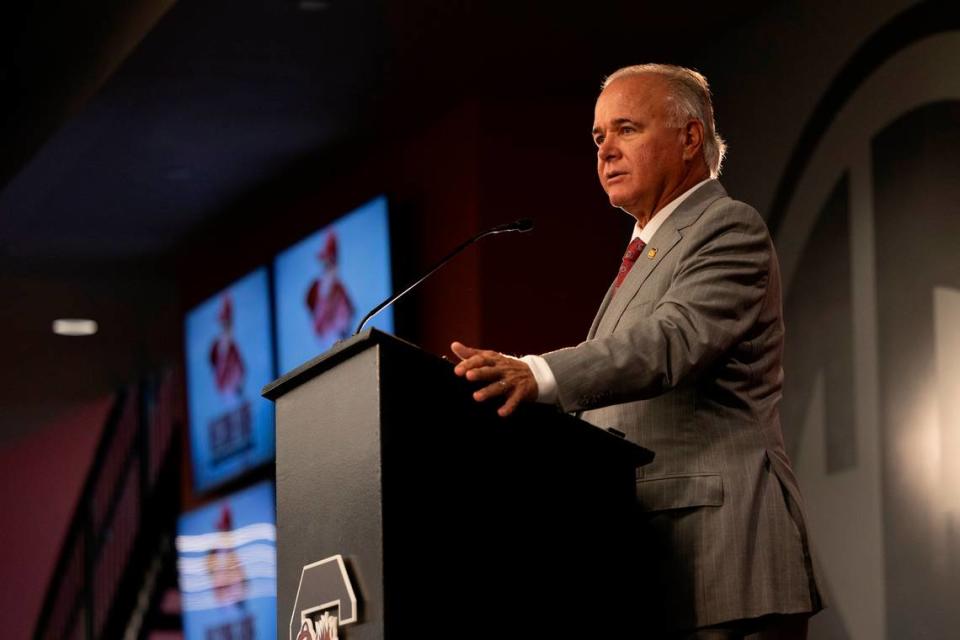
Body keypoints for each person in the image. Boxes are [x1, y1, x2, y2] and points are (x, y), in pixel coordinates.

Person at [451, 64, 823, 639]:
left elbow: (670, 342)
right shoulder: (646, 254)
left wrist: (539, 373)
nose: (605, 152)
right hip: (658, 564)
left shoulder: (727, 226)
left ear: (690, 138)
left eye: (626, 129)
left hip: (725, 558)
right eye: (598, 138)